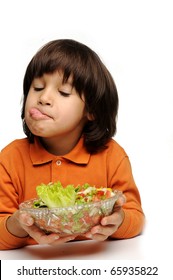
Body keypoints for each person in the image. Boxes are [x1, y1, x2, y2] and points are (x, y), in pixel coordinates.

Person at [0, 39, 145, 250]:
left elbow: (135, 218)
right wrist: (19, 224)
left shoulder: (111, 156)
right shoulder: (10, 159)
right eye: (37, 87)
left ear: (91, 110)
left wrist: (118, 221)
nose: (43, 98)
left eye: (64, 92)